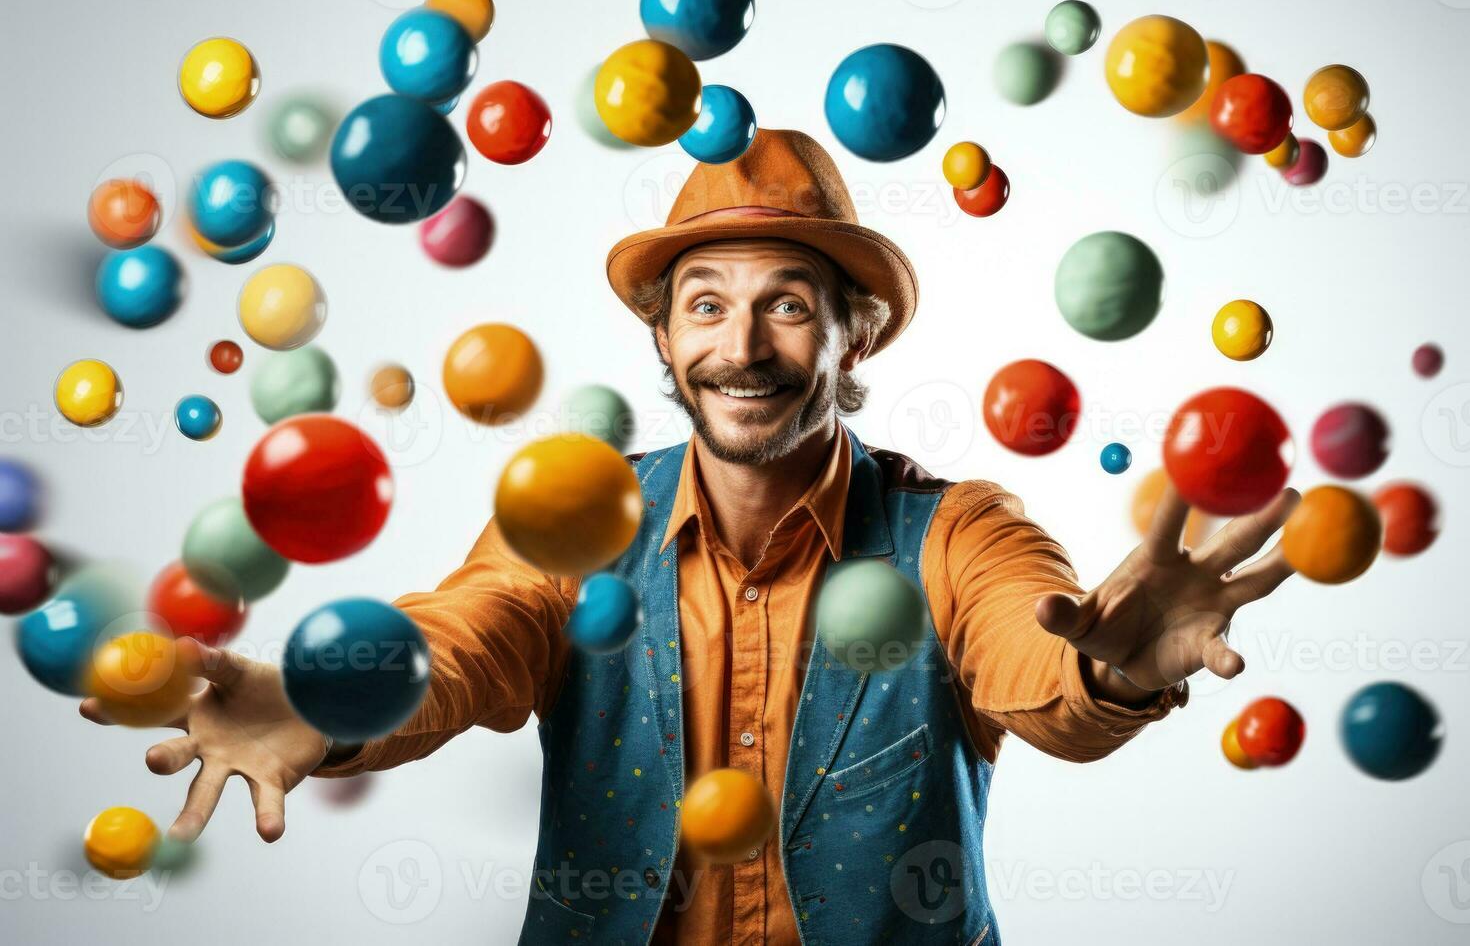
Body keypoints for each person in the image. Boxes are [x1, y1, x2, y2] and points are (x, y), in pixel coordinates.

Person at [81, 129, 1300, 944]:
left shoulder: (958, 529)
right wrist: (327, 693)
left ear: (852, 337)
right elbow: (465, 638)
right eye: (707, 305)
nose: (742, 345)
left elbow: (1030, 661)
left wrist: (1107, 668)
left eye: (787, 305)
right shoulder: (573, 518)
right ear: (664, 342)